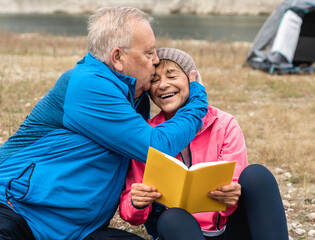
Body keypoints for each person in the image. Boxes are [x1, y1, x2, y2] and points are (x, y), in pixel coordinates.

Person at [0, 8, 208, 240]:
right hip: (17, 211)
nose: (156, 60)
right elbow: (156, 147)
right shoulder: (88, 84)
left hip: (76, 231)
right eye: (149, 53)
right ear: (117, 57)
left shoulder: (133, 95)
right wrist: (197, 100)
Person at [119, 48, 289, 240]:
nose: (163, 85)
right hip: (179, 232)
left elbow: (233, 188)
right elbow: (128, 212)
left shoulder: (224, 124)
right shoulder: (147, 135)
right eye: (155, 80)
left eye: (172, 75)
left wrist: (230, 196)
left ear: (192, 81)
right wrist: (137, 202)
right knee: (173, 217)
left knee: (258, 175)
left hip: (228, 229)